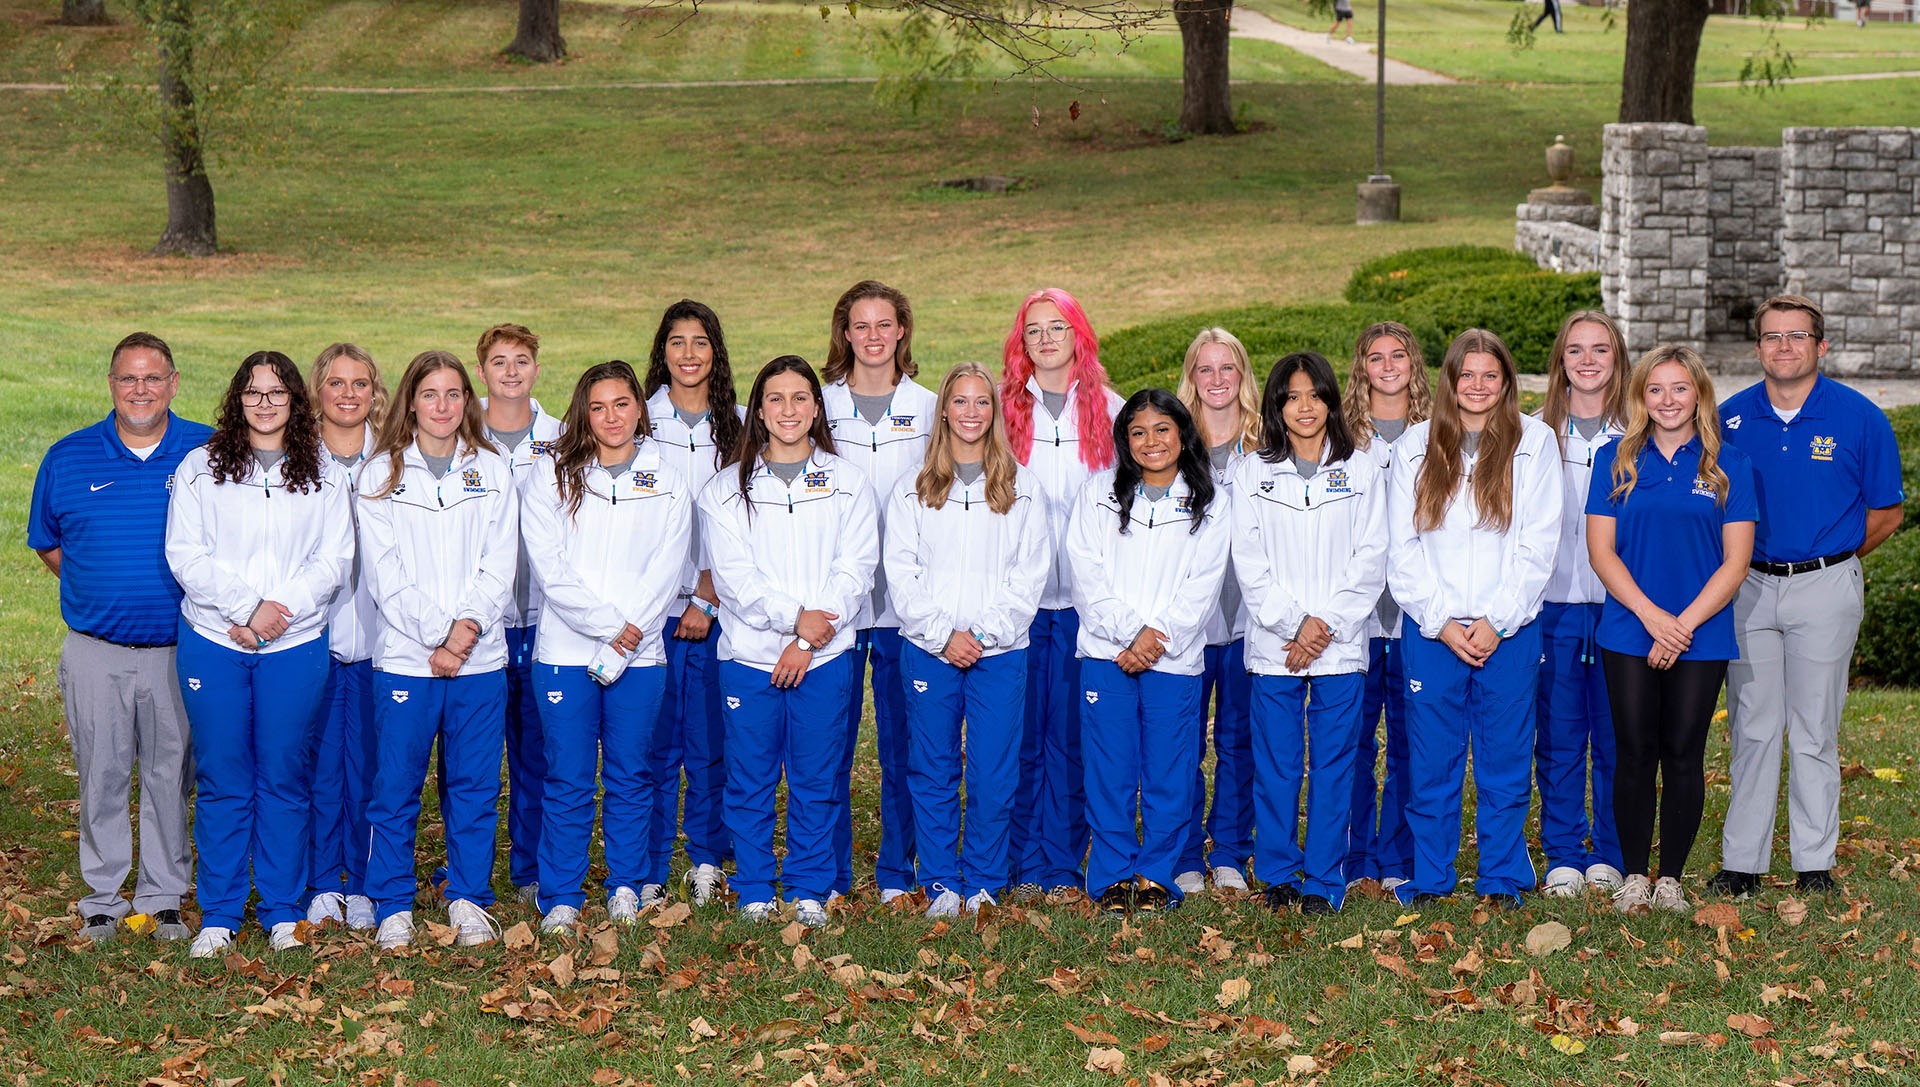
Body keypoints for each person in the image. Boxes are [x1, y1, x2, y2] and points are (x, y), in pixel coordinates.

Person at [1710, 295, 1904, 899]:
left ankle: (1813, 862)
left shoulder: (1860, 417)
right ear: (1758, 347)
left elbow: (1888, 512)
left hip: (1825, 585)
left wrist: (1833, 562)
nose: (1784, 347)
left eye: (1797, 336)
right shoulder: (1728, 418)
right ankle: (1743, 862)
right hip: (1747, 585)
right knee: (1752, 724)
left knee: (1815, 728)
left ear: (1822, 347)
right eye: (1772, 337)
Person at [165, 351, 354, 957]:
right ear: (237, 399)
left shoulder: (323, 471)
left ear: (296, 400)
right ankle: (220, 914)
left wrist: (278, 612)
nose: (265, 402)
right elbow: (186, 555)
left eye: (276, 392)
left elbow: (334, 559)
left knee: (284, 776)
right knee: (222, 777)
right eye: (253, 392)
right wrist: (246, 609)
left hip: (294, 645)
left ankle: (280, 908)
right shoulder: (201, 467)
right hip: (215, 641)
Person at [29, 332, 212, 944]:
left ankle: (163, 896)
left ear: (174, 383)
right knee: (100, 772)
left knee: (170, 773)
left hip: (180, 648)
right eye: (129, 378)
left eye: (153, 378)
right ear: (111, 384)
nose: (141, 389)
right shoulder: (70, 456)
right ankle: (102, 896)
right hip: (96, 651)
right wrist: (102, 589)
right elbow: (50, 544)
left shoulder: (205, 454)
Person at [699, 356, 878, 928]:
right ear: (758, 410)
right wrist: (794, 622)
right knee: (749, 779)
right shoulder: (724, 491)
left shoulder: (848, 482)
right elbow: (734, 580)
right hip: (750, 658)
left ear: (817, 407)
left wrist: (809, 640)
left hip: (825, 659)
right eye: (775, 399)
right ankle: (754, 888)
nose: (788, 410)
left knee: (817, 777)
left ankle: (809, 886)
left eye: (800, 398)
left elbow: (856, 569)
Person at [1386, 329, 1561, 908]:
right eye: (1468, 375)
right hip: (1433, 632)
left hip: (1508, 631)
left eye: (1491, 375)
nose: (1478, 386)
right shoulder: (1415, 446)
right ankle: (1432, 877)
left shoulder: (1533, 443)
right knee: (1432, 764)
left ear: (1506, 382)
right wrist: (1441, 621)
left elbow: (1538, 544)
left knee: (1505, 762)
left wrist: (1498, 621)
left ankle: (1503, 876)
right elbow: (1401, 547)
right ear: (1450, 381)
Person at [522, 361, 693, 931]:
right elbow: (550, 568)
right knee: (567, 776)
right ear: (582, 413)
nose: (611, 417)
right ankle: (562, 894)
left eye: (621, 403)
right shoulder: (551, 475)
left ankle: (626, 883)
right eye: (597, 407)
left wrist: (630, 632)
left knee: (630, 773)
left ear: (639, 408)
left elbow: (667, 568)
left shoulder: (667, 477)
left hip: (640, 656)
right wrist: (607, 626)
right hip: (566, 654)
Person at [358, 350, 518, 951]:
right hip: (407, 660)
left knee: (475, 786)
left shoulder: (494, 470)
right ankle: (392, 902)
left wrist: (464, 634)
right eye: (431, 394)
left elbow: (500, 563)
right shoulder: (380, 474)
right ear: (411, 401)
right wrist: (439, 637)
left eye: (454, 394)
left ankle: (469, 898)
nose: (444, 406)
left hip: (480, 660)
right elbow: (385, 574)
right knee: (396, 786)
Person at [1587, 345, 1756, 915]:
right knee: (1634, 752)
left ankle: (1671, 880)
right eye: (1655, 389)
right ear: (1641, 397)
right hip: (1630, 629)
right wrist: (1654, 619)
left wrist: (1680, 626)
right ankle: (1635, 875)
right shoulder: (1614, 460)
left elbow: (1736, 562)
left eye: (1679, 388)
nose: (1667, 400)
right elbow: (1602, 553)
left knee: (1684, 752)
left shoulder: (1730, 464)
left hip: (1701, 633)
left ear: (1699, 395)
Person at [886, 363, 1050, 918]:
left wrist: (981, 634)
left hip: (998, 653)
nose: (971, 413)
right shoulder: (913, 487)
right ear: (944, 411)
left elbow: (1029, 577)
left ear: (995, 412)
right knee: (932, 768)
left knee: (992, 771)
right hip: (929, 649)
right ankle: (938, 882)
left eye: (983, 402)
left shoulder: (1022, 487)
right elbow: (900, 574)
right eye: (960, 402)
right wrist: (942, 635)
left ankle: (981, 879)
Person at [1235, 352, 1388, 915]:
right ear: (1277, 405)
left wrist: (1326, 627)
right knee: (1275, 764)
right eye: (1292, 397)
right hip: (1275, 645)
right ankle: (1277, 871)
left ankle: (1324, 878)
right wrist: (1296, 624)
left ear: (1331, 402)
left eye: (1315, 396)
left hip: (1341, 646)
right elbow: (1248, 562)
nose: (1305, 407)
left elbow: (1372, 557)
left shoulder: (1362, 468)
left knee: (1334, 764)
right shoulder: (1253, 471)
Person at [1066, 389, 1229, 914]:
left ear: (1183, 433)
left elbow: (1204, 582)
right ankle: (1112, 873)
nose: (1151, 441)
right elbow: (1085, 574)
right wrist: (1127, 635)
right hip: (1107, 656)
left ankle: (1157, 873)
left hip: (1174, 660)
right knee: (1109, 768)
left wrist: (1156, 637)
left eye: (1162, 429)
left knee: (1169, 769)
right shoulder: (1098, 493)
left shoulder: (1211, 499)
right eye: (1138, 431)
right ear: (1124, 440)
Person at [999, 288, 1124, 901]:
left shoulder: (1111, 409)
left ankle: (1062, 863)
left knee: (1072, 737)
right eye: (1033, 331)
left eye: (1057, 328)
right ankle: (1021, 860)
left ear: (1079, 334)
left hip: (1083, 603)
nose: (1045, 340)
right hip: (1016, 606)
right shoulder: (997, 412)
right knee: (1019, 736)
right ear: (1019, 343)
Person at [820, 281, 937, 903]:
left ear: (901, 332)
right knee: (830, 747)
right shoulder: (819, 406)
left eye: (883, 325)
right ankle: (831, 873)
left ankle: (898, 872)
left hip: (904, 607)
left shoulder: (928, 407)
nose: (872, 336)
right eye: (860, 325)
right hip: (834, 608)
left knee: (903, 745)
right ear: (845, 333)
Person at [643, 300, 745, 907]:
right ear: (663, 351)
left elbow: (738, 523)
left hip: (713, 608)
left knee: (711, 742)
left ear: (716, 352)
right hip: (649, 611)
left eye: (700, 342)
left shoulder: (736, 424)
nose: (688, 354)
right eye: (677, 342)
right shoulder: (638, 421)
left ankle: (708, 859)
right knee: (654, 745)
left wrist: (706, 597)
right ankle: (650, 865)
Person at [1534, 312, 1629, 899]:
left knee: (1619, 736)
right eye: (1576, 350)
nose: (1588, 360)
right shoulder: (1533, 434)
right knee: (1560, 735)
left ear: (1617, 358)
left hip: (1621, 609)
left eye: (1600, 349)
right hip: (1554, 606)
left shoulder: (1641, 434)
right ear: (1560, 360)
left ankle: (1613, 852)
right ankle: (1565, 853)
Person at [1339, 321, 1432, 893]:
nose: (1389, 366)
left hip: (1419, 615)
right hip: (1358, 616)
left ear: (1414, 364)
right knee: (1351, 738)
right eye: (1376, 357)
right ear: (1362, 368)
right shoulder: (1343, 437)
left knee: (1408, 739)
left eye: (1399, 356)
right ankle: (1352, 857)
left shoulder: (1437, 433)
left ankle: (1396, 855)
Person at [1172, 328, 1261, 896]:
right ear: (1192, 378)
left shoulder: (1268, 446)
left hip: (1252, 619)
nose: (1217, 379)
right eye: (1205, 369)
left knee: (1239, 737)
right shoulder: (1169, 443)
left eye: (1227, 368)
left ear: (1243, 374)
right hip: (1188, 622)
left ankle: (1230, 848)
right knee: (1181, 741)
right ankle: (1182, 851)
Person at [476, 323, 563, 904]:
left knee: (537, 750)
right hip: (478, 623)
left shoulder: (560, 437)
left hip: (545, 619)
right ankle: (467, 868)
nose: (511, 371)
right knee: (473, 759)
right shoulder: (456, 432)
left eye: (522, 360)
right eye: (499, 361)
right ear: (481, 371)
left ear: (536, 369)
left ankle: (530, 867)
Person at [305, 343, 388, 931]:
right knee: (315, 764)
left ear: (374, 393)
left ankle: (362, 882)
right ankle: (319, 880)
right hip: (310, 636)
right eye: (336, 383)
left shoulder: (394, 461)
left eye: (360, 383)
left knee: (371, 765)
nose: (348, 393)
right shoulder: (294, 462)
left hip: (383, 640)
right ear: (318, 392)